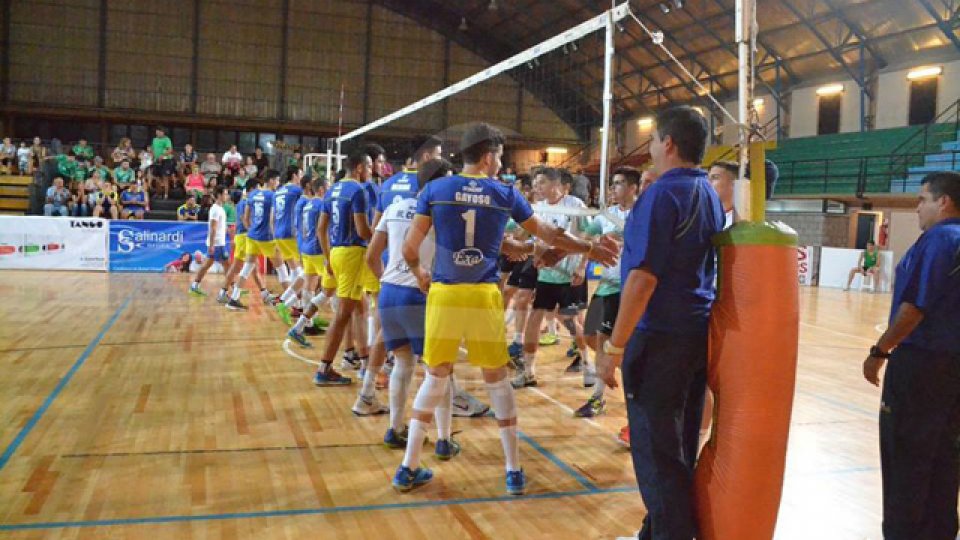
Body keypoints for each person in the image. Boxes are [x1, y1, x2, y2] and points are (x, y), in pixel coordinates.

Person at [390, 123, 617, 494]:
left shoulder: (434, 190)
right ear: (487, 155)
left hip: (446, 295)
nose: (501, 162)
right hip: (482, 296)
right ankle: (512, 470)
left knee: (435, 378)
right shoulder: (503, 193)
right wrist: (589, 249)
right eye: (498, 154)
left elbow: (409, 251)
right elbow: (549, 234)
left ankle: (407, 467)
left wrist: (419, 274)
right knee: (495, 381)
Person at [597, 106, 724, 540]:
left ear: (667, 143)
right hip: (693, 336)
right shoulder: (707, 192)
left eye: (652, 141)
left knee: (656, 456)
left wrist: (613, 349)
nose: (650, 149)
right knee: (678, 449)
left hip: (660, 338)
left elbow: (643, 279)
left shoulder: (661, 194)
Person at [862, 171, 960, 539]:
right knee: (944, 461)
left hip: (920, 368)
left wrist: (879, 350)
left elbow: (914, 308)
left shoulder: (939, 241)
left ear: (944, 201)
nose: (917, 207)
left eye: (922, 199)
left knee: (905, 461)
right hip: (953, 369)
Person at [513, 167, 589, 389]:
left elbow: (589, 237)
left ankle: (587, 364)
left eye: (542, 183)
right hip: (547, 274)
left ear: (557, 185)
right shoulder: (535, 209)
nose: (537, 187)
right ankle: (528, 371)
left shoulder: (575, 206)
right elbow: (527, 236)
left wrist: (582, 267)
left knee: (571, 321)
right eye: (536, 183)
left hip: (570, 275)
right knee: (535, 317)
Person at [573, 167, 639, 419]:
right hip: (605, 285)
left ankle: (598, 397)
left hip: (626, 286)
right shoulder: (606, 215)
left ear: (633, 188)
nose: (613, 188)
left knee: (603, 340)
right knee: (590, 336)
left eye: (620, 183)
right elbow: (586, 242)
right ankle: (628, 374)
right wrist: (580, 265)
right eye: (613, 184)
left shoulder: (639, 215)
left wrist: (620, 242)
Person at [311, 151, 374, 386]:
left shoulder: (332, 191)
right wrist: (381, 237)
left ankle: (364, 361)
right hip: (352, 254)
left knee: (361, 307)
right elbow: (361, 230)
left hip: (336, 252)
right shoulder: (358, 191)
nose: (371, 170)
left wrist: (328, 258)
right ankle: (324, 368)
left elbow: (321, 230)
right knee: (343, 314)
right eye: (368, 165)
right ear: (359, 167)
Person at [226, 170, 284, 310]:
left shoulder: (252, 195)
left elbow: (245, 218)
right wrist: (275, 236)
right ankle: (292, 303)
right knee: (283, 269)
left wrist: (252, 230)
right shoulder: (272, 195)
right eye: (277, 180)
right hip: (266, 237)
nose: (278, 183)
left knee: (247, 268)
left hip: (252, 236)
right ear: (271, 180)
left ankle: (234, 298)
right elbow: (272, 219)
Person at [217, 182, 274, 306]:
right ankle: (223, 292)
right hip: (244, 236)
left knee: (254, 266)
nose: (260, 190)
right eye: (258, 187)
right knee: (238, 267)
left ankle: (264, 294)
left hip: (244, 236)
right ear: (252, 189)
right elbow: (244, 218)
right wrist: (252, 231)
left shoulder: (246, 201)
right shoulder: (246, 201)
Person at [273, 166, 307, 324]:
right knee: (307, 270)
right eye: (300, 174)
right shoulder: (296, 190)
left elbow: (272, 215)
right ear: (295, 175)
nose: (301, 178)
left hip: (279, 234)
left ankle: (297, 305)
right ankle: (284, 300)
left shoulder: (278, 191)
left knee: (295, 269)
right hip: (291, 232)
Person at [190, 187, 231, 296]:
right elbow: (213, 228)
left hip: (218, 242)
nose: (227, 196)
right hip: (217, 244)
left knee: (207, 265)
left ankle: (194, 285)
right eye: (225, 193)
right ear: (219, 195)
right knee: (227, 266)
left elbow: (220, 226)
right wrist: (212, 245)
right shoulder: (215, 209)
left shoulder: (221, 209)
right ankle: (233, 289)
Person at [151, 128, 175, 199]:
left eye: (158, 132)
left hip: (166, 160)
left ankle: (166, 194)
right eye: (156, 132)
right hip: (156, 160)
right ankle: (159, 193)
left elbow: (170, 150)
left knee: (165, 177)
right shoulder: (154, 139)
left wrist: (163, 155)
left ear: (163, 132)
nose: (157, 133)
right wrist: (153, 157)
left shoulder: (167, 139)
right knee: (156, 177)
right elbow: (153, 149)